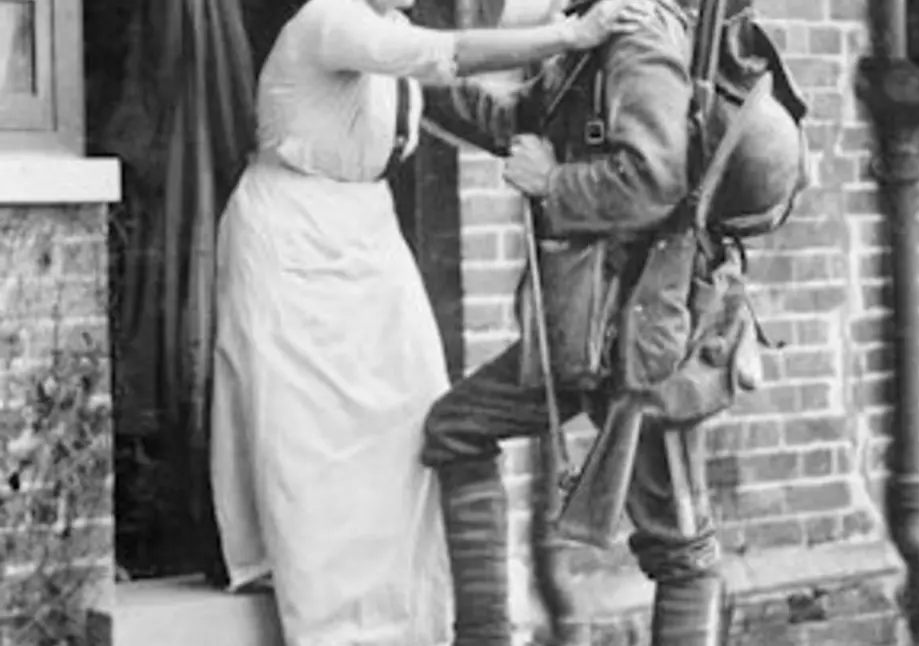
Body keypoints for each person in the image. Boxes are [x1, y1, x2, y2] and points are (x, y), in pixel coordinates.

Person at [208, 0, 649, 644]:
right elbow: (447, 52)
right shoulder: (329, 22)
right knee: (308, 432)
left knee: (414, 408)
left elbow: (476, 49)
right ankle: (333, 620)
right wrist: (572, 32)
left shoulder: (388, 30)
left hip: (366, 232)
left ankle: (411, 612)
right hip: (293, 232)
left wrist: (574, 37)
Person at [421, 0, 733, 643]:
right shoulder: (600, 29)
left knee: (681, 546)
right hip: (583, 324)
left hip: (644, 329)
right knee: (456, 428)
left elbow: (655, 180)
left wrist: (552, 182)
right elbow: (521, 118)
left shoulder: (640, 37)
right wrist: (413, 66)